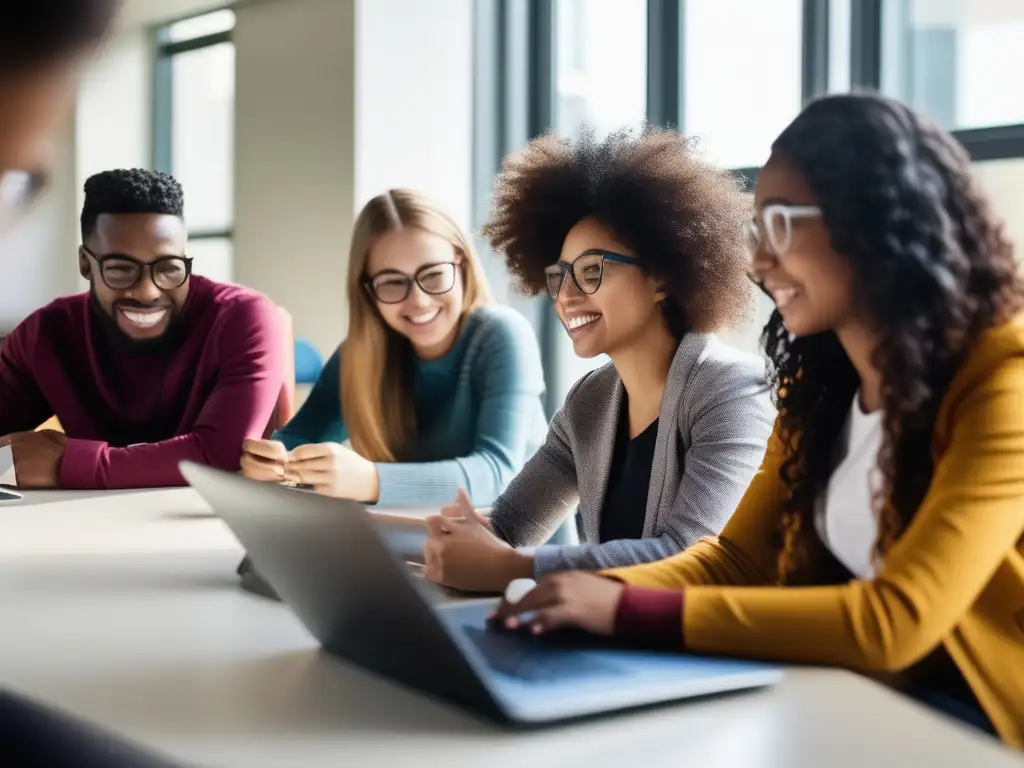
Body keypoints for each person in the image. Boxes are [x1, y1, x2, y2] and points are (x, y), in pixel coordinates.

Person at [491, 94, 1024, 749]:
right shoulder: (818, 388)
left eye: (782, 226)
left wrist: (624, 607)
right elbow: (734, 559)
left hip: (972, 721)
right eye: (755, 230)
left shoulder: (1005, 383)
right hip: (843, 698)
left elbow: (897, 618)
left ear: (875, 224)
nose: (759, 262)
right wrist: (570, 593)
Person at [423, 126, 775, 593]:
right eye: (559, 275)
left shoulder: (732, 393)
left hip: (712, 655)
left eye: (591, 271)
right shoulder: (591, 401)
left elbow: (688, 556)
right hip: (622, 645)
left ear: (662, 277)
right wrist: (393, 540)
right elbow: (508, 529)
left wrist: (515, 568)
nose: (566, 296)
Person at [240, 188, 546, 508]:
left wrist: (372, 481)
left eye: (434, 274)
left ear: (462, 265)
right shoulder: (360, 357)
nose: (419, 301)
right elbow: (294, 441)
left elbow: (498, 474)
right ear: (368, 291)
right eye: (391, 282)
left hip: (523, 553)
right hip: (421, 547)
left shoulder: (502, 334)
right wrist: (270, 462)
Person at [0, 168, 286, 489]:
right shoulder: (46, 333)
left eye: (169, 268)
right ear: (85, 263)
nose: (148, 291)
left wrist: (67, 465)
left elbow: (222, 453)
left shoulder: (244, 318)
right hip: (91, 524)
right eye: (121, 269)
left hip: (217, 527)